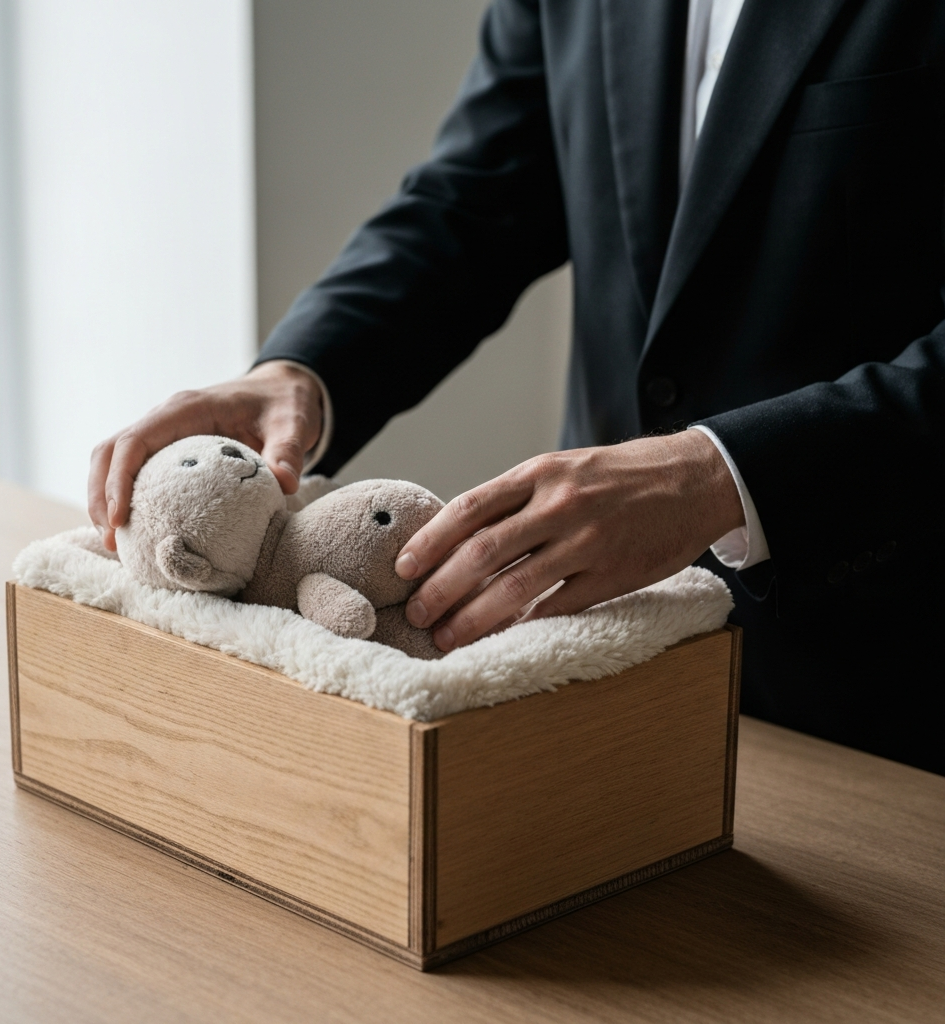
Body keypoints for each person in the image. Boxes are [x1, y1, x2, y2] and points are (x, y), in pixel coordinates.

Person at [89, 0, 944, 775]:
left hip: (891, 700)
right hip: (600, 677)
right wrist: (304, 369)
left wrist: (720, 476)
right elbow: (476, 198)